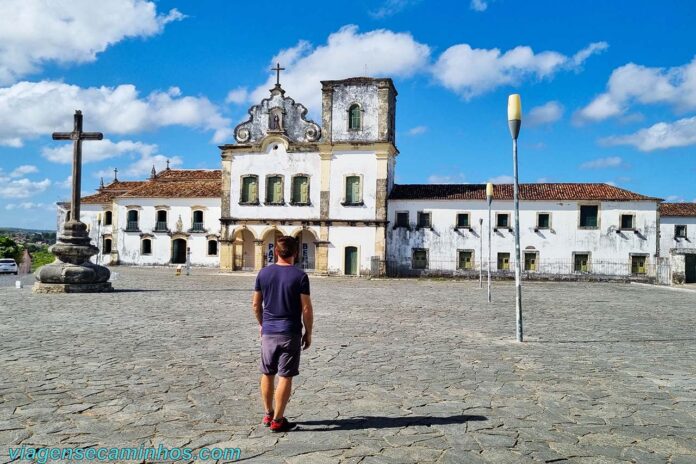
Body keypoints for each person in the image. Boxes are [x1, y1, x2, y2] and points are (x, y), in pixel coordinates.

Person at [252, 235, 313, 432]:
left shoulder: (263, 274)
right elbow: (306, 309)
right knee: (285, 376)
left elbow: (255, 304)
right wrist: (308, 332)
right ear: (295, 253)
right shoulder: (300, 276)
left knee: (267, 373)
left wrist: (262, 324)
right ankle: (278, 420)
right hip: (290, 332)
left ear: (276, 252)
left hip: (268, 332)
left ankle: (268, 413)